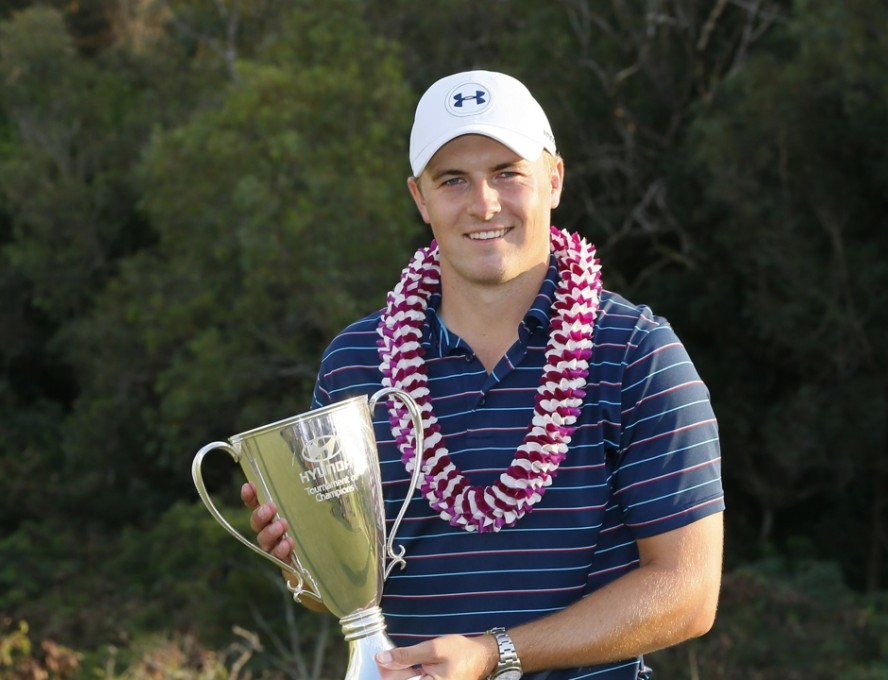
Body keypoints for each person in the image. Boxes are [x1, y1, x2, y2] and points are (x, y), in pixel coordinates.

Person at [242, 70, 724, 680]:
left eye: (507, 173)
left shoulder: (634, 351)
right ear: (420, 198)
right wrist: (301, 561)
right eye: (453, 180)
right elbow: (335, 593)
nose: (484, 203)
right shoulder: (356, 361)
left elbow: (688, 591)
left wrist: (496, 656)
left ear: (553, 179)